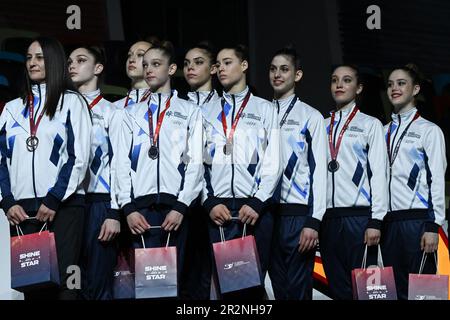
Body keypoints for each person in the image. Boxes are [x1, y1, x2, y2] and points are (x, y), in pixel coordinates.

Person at [0, 36, 92, 300]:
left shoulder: (72, 102)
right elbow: (0, 160)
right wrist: (7, 201)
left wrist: (54, 199)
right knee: (33, 285)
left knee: (65, 284)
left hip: (63, 206)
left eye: (40, 57)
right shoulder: (12, 108)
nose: (33, 63)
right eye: (29, 58)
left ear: (53, 62)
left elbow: (78, 157)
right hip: (22, 209)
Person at [115, 41, 203, 290]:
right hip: (139, 212)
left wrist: (181, 206)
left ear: (172, 68)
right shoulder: (129, 113)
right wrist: (128, 208)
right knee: (146, 287)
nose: (149, 70)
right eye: (145, 65)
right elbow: (120, 163)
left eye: (156, 64)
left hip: (176, 210)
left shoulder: (190, 111)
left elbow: (194, 162)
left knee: (174, 286)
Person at [201, 44, 281, 299]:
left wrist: (258, 201)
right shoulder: (205, 111)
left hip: (255, 211)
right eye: (218, 64)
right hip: (219, 211)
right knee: (224, 289)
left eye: (227, 62)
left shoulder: (265, 109)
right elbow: (193, 163)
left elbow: (273, 161)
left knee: (253, 287)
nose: (220, 69)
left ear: (244, 65)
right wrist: (209, 201)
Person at [320, 65, 388, 300]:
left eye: (346, 80)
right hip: (328, 219)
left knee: (368, 293)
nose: (339, 85)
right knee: (338, 290)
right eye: (334, 80)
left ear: (358, 88)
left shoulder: (371, 125)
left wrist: (376, 220)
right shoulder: (321, 125)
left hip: (359, 219)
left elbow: (379, 174)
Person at [381, 64, 447, 300]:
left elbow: (436, 179)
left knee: (424, 294)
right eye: (390, 84)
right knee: (393, 293)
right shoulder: (382, 131)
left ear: (416, 89)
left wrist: (433, 225)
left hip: (418, 222)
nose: (394, 88)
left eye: (401, 83)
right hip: (389, 224)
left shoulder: (429, 131)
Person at [268, 45, 327, 300]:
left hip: (297, 214)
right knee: (277, 289)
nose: (277, 75)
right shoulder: (258, 112)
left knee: (298, 289)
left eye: (284, 69)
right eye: (272, 69)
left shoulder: (310, 116)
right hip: (266, 215)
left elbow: (319, 172)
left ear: (297, 75)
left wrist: (313, 222)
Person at [68, 46, 121, 300]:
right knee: (70, 286)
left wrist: (114, 212)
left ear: (98, 68)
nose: (72, 65)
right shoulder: (59, 110)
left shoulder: (112, 112)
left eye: (81, 60)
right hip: (67, 205)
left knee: (98, 285)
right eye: (69, 61)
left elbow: (120, 166)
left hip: (99, 203)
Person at [181, 41, 220, 299]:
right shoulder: (176, 106)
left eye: (198, 62)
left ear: (214, 69)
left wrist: (211, 199)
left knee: (213, 276)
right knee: (182, 273)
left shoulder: (226, 108)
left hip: (216, 204)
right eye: (186, 64)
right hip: (182, 203)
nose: (190, 68)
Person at [114, 41, 153, 108]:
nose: (131, 59)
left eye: (140, 54)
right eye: (129, 55)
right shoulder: (115, 107)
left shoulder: (165, 104)